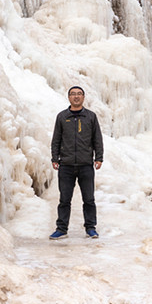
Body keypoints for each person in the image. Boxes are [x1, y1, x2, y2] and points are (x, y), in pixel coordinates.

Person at [49, 86, 103, 239]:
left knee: (89, 199)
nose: (76, 97)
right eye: (73, 94)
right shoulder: (62, 117)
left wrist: (99, 157)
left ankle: (90, 228)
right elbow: (56, 140)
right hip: (66, 165)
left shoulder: (91, 117)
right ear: (69, 97)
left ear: (84, 97)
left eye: (79, 94)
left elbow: (97, 139)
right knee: (64, 199)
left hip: (86, 165)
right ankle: (61, 229)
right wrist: (55, 158)